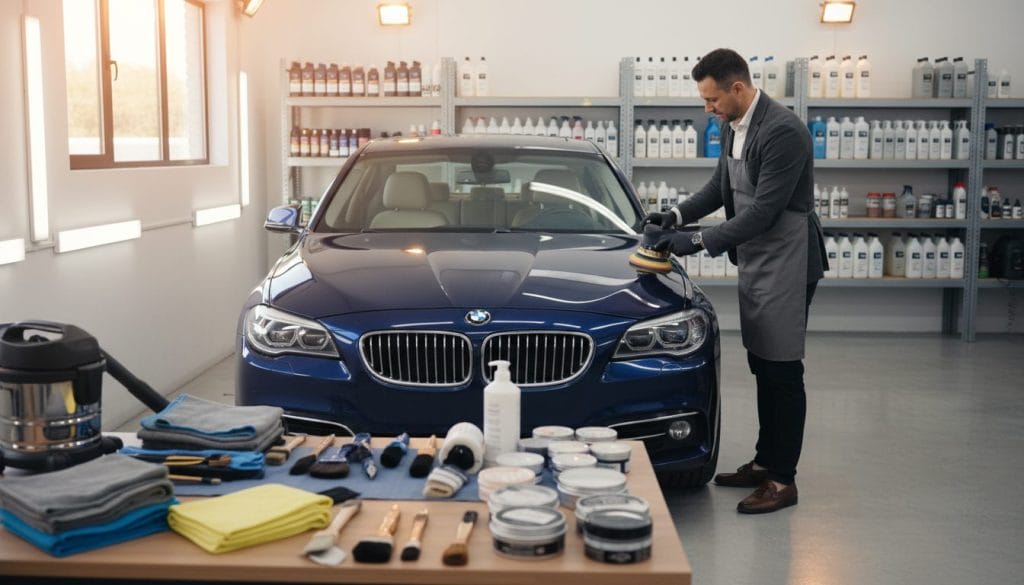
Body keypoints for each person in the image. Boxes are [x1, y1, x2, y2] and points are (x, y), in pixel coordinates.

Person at [645, 48, 827, 514]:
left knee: (783, 369)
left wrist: (697, 242)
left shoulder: (784, 132)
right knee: (762, 363)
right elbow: (719, 189)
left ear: (738, 89)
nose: (707, 108)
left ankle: (783, 480)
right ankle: (766, 462)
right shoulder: (732, 127)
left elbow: (765, 212)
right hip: (759, 256)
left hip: (787, 255)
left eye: (711, 100)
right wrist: (677, 214)